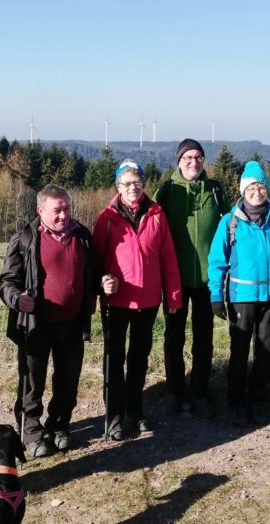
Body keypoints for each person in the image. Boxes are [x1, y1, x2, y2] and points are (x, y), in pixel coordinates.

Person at [0, 184, 112, 458]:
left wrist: (104, 281)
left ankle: (59, 425)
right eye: (57, 210)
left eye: (67, 208)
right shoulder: (25, 239)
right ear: (41, 210)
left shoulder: (82, 236)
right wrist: (17, 299)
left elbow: (95, 272)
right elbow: (7, 281)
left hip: (72, 323)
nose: (64, 215)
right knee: (32, 382)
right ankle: (31, 432)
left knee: (68, 381)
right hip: (35, 325)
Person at [93, 160, 182, 440]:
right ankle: (114, 416)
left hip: (147, 300)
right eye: (127, 183)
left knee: (139, 358)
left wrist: (173, 294)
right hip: (116, 301)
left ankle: (135, 409)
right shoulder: (107, 218)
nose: (133, 187)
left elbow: (168, 257)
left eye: (137, 182)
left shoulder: (157, 215)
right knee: (114, 359)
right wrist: (101, 282)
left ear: (144, 184)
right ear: (118, 187)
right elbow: (95, 260)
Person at [207, 161, 270, 426]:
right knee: (239, 351)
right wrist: (216, 295)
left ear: (268, 189)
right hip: (241, 296)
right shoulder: (230, 222)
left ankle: (257, 399)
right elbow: (217, 261)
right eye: (251, 187)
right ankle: (235, 400)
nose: (256, 192)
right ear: (243, 190)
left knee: (267, 351)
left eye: (261, 187)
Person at [154, 138, 230, 417]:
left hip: (208, 280)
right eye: (187, 157)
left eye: (198, 157)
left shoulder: (215, 190)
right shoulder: (167, 191)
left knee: (204, 337)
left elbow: (230, 225)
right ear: (179, 161)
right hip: (174, 277)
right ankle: (174, 392)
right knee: (174, 336)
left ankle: (199, 392)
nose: (193, 162)